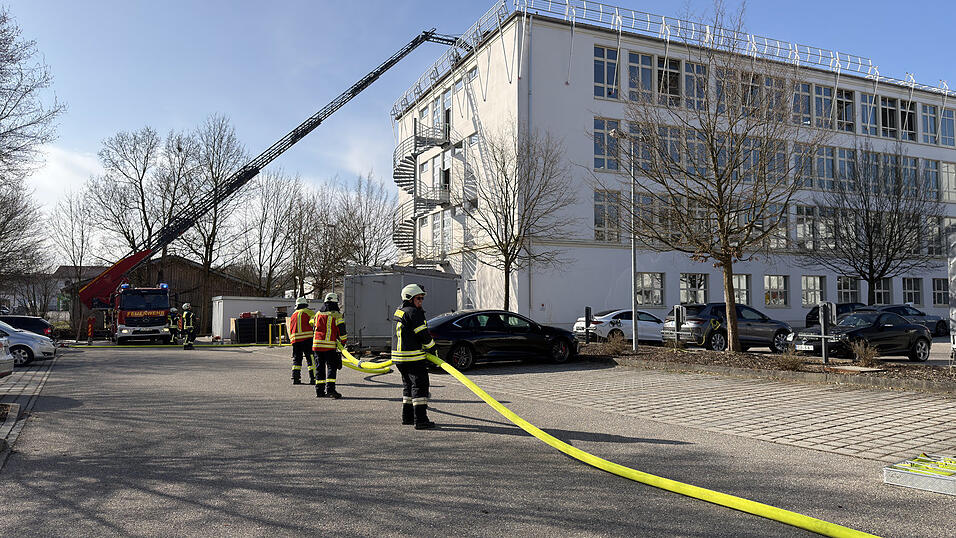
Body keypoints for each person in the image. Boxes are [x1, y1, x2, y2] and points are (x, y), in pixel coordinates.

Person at [391, 284, 436, 429]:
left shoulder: (399, 311)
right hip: (413, 357)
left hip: (399, 358)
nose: (421, 301)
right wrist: (433, 348)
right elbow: (423, 334)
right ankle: (421, 420)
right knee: (420, 387)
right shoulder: (414, 312)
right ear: (409, 298)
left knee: (408, 387)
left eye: (422, 298)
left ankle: (408, 417)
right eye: (418, 298)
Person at [312, 292, 348, 398]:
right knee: (331, 368)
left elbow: (314, 327)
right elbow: (342, 331)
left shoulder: (318, 314)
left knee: (319, 368)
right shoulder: (336, 315)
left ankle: (319, 391)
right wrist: (343, 343)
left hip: (316, 345)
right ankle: (331, 390)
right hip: (329, 346)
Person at [287, 297, 316, 385]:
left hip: (295, 340)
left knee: (297, 359)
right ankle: (313, 378)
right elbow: (315, 323)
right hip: (307, 339)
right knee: (311, 359)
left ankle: (295, 378)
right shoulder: (309, 312)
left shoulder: (293, 314)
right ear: (305, 305)